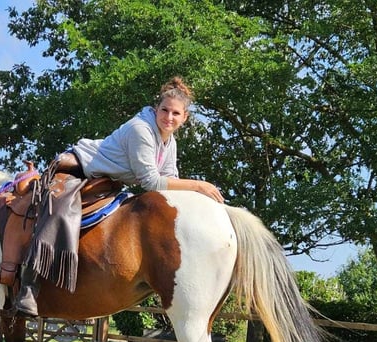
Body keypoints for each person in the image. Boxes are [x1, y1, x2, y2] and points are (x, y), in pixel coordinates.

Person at [16, 77, 224, 317]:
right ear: (156, 109)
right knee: (57, 211)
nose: (168, 117)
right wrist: (198, 186)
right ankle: (28, 284)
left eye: (175, 113)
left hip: (107, 181)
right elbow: (151, 182)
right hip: (79, 168)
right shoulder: (141, 130)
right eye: (164, 110)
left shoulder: (169, 143)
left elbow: (168, 184)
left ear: (184, 117)